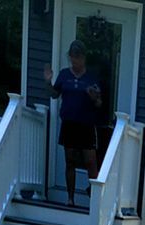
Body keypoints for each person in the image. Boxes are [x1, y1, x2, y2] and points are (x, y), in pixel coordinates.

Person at [44, 41, 102, 207]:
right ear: (70, 57)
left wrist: (94, 97)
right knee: (70, 161)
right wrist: (48, 82)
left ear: (84, 58)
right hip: (69, 124)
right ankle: (70, 199)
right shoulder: (64, 75)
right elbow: (54, 95)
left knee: (90, 161)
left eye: (78, 58)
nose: (75, 61)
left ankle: (95, 198)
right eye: (73, 58)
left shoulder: (91, 77)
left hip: (87, 125)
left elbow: (99, 103)